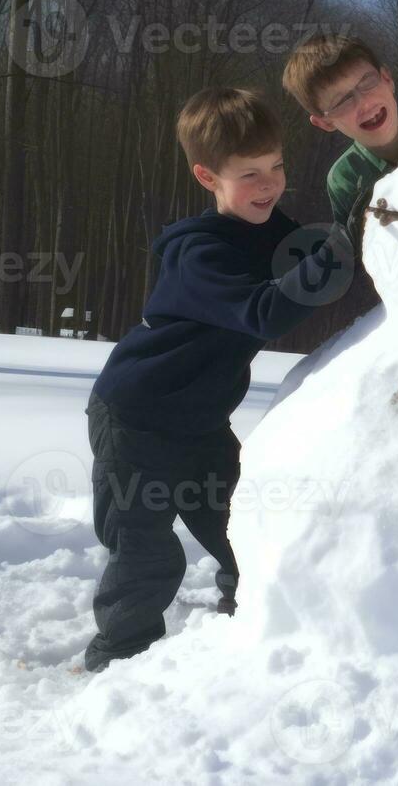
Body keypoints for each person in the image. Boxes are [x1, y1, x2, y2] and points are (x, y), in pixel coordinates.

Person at [83, 87, 353, 673]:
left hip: (202, 424)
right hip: (135, 418)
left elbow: (312, 256)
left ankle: (253, 625)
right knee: (146, 552)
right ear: (208, 176)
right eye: (249, 173)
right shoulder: (199, 252)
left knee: (245, 526)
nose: (269, 184)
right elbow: (266, 310)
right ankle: (118, 664)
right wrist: (340, 246)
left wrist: (366, 210)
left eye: (277, 167)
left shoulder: (267, 228)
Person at [281, 33, 398, 253]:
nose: (364, 103)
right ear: (325, 122)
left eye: (367, 82)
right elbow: (360, 253)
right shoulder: (345, 179)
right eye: (341, 101)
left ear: (387, 79)